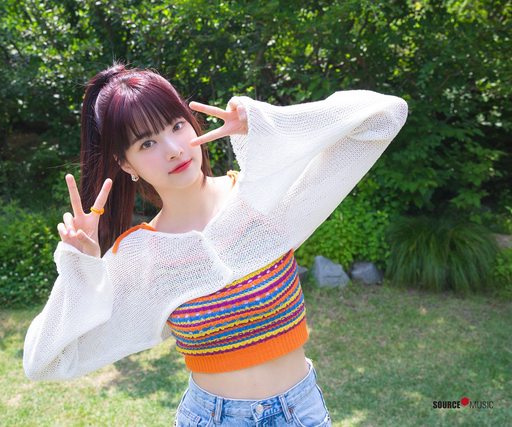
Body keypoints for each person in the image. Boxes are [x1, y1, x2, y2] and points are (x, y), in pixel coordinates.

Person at [22, 60, 408, 426]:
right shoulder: (143, 257)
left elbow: (384, 116)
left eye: (176, 126)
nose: (173, 148)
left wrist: (263, 122)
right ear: (126, 165)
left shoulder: (260, 200)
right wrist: (80, 268)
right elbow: (44, 361)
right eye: (146, 144)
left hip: (301, 412)